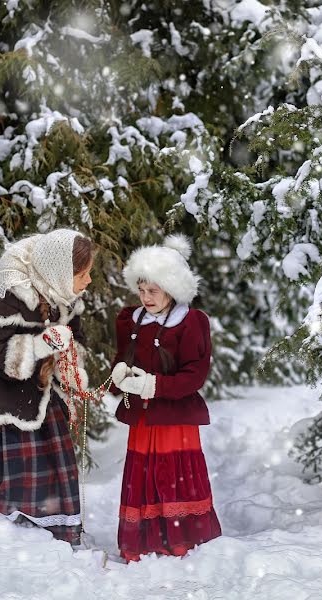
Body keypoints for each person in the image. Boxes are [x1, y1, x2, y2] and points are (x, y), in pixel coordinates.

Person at [0, 228, 95, 544]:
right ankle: (21, 529)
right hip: (8, 393)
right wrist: (39, 345)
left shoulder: (64, 295)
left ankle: (59, 528)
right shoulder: (10, 295)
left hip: (44, 386)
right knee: (25, 465)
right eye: (83, 274)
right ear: (60, 273)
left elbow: (76, 339)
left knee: (56, 458)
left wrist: (71, 367)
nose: (88, 281)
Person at [109, 233, 221, 561]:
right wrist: (118, 375)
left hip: (175, 417)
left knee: (173, 473)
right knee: (143, 474)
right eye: (141, 290)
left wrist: (156, 386)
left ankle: (180, 537)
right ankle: (142, 540)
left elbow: (194, 374)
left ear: (171, 289)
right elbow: (123, 359)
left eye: (153, 291)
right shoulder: (132, 320)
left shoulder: (190, 323)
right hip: (143, 418)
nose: (145, 297)